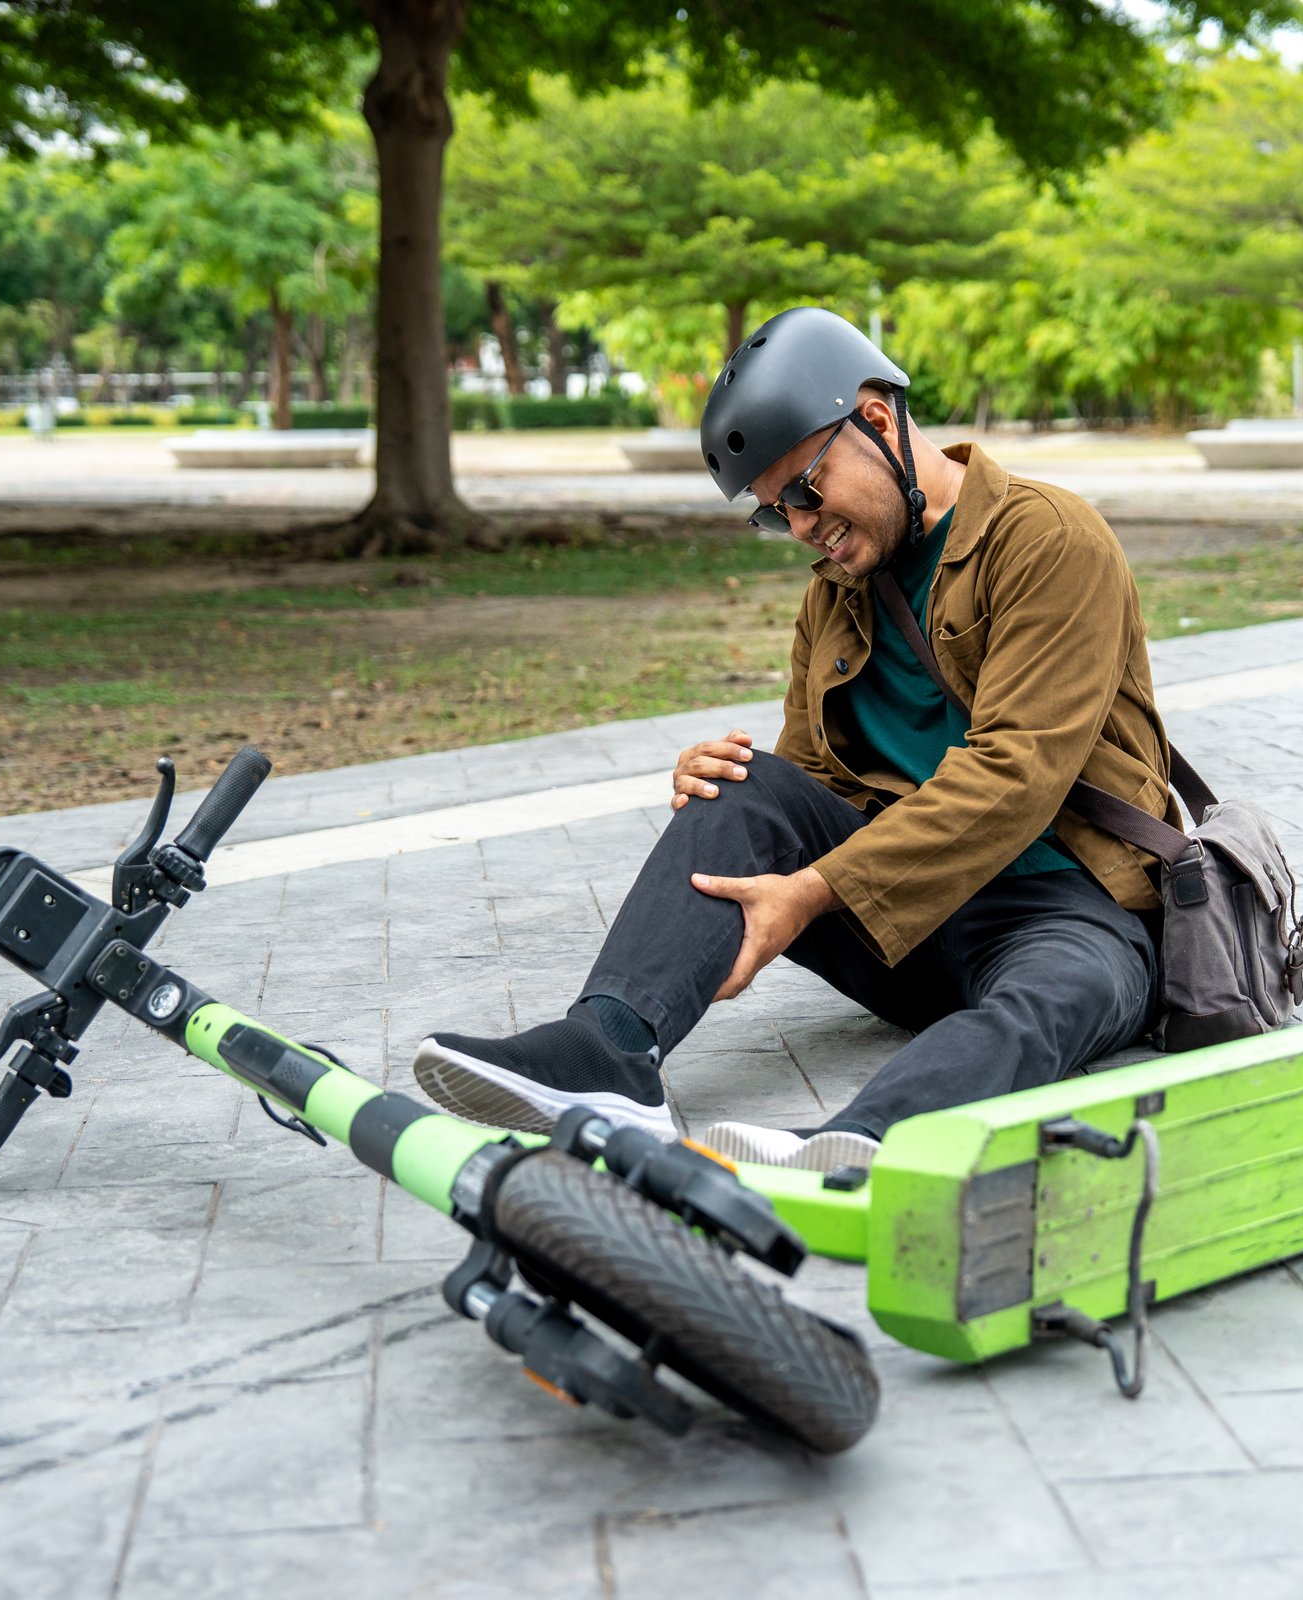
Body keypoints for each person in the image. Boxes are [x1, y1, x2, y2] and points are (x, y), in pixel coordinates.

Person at [413, 307, 1181, 1172]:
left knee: (1061, 994)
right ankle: (609, 1053)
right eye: (778, 514)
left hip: (1068, 912)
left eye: (807, 490)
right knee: (745, 783)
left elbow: (1016, 776)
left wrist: (813, 890)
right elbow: (814, 781)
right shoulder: (838, 593)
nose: (806, 526)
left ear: (878, 419)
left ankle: (859, 1143)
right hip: (911, 927)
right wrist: (731, 787)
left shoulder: (1045, 538)